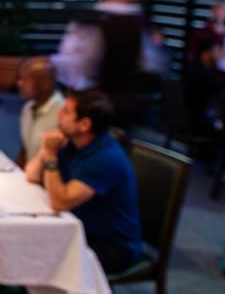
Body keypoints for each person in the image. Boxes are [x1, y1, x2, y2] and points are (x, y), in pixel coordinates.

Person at [24, 90, 142, 277]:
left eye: (66, 112)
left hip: (112, 247)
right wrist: (45, 151)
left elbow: (59, 202)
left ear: (84, 124)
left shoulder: (105, 158)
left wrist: (51, 155)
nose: (58, 114)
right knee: (26, 238)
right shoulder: (72, 142)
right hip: (79, 228)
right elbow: (31, 175)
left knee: (33, 249)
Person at [16, 57, 64, 166]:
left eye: (25, 79)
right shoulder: (28, 107)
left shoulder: (63, 113)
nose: (19, 84)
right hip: (29, 176)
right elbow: (25, 150)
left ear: (45, 84)